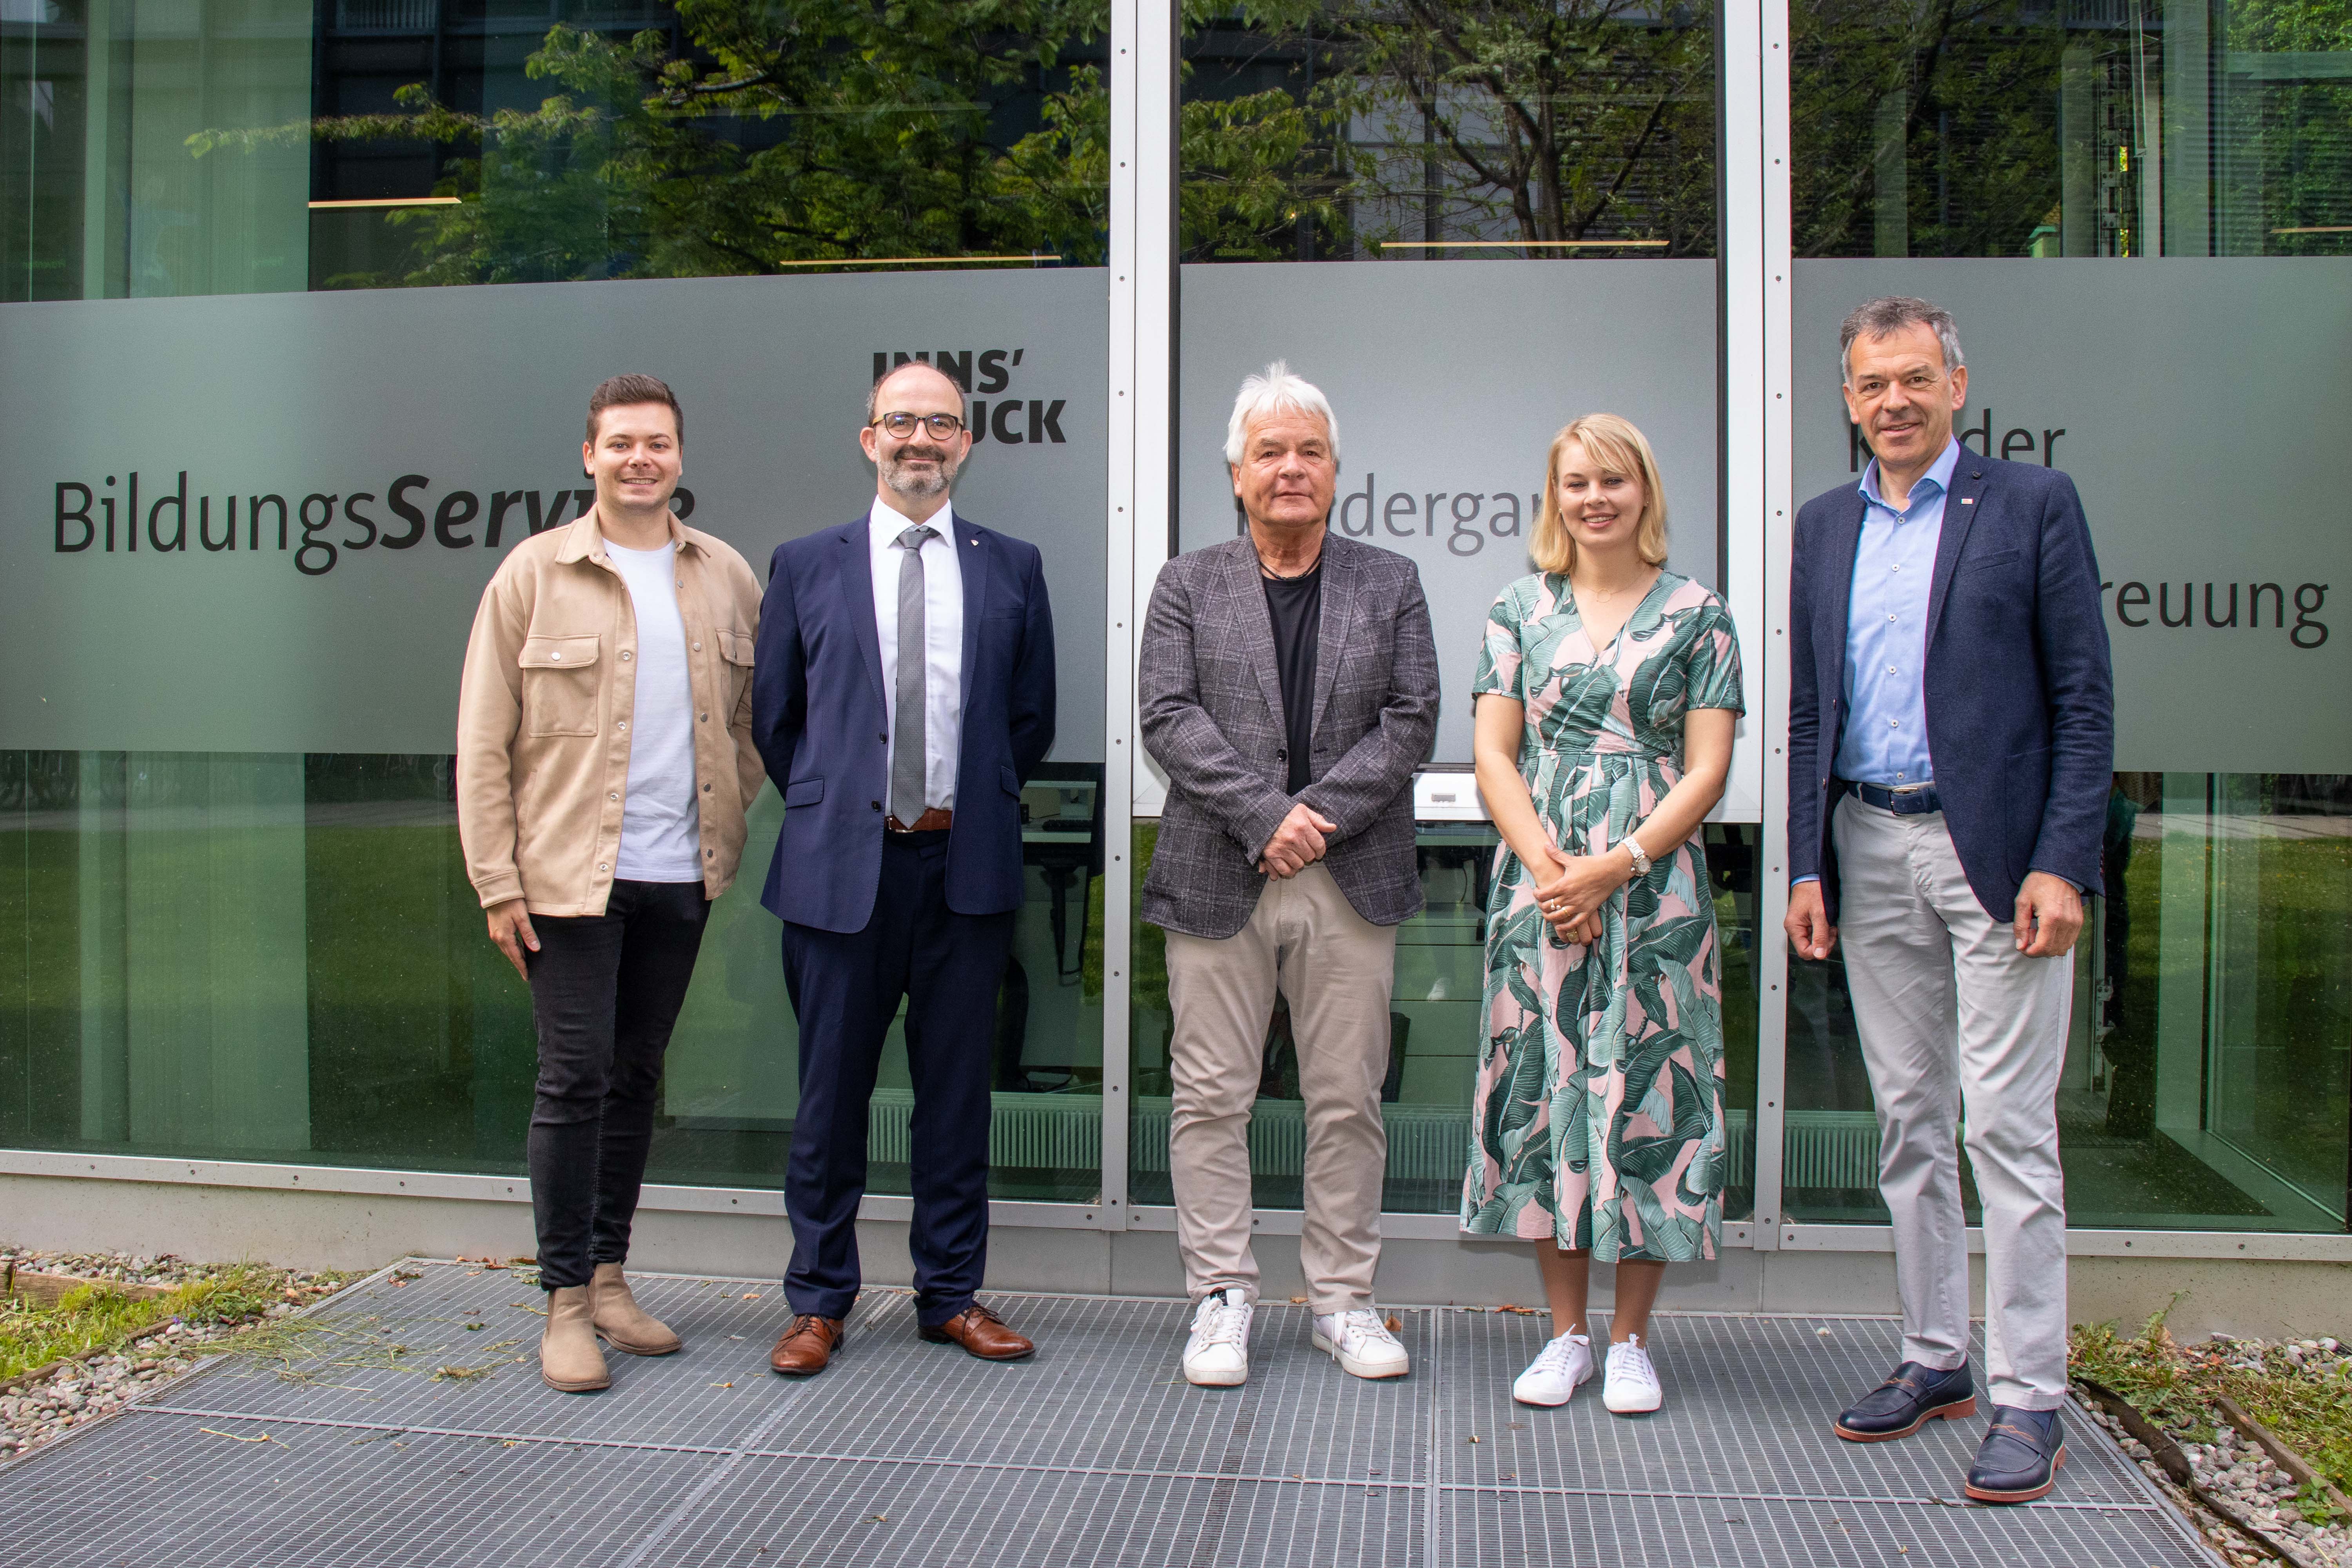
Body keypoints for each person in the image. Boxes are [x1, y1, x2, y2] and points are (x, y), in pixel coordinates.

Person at [1786, 296, 2111, 1504]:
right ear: (1850, 399)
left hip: (2000, 858)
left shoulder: (2031, 508)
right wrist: (1808, 866)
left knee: (2009, 1132)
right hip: (1868, 846)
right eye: (1873, 386)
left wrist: (2063, 861)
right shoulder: (1826, 526)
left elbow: (2084, 701)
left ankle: (2032, 1393)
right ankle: (1937, 1356)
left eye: (1915, 380)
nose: (1894, 404)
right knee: (1910, 1121)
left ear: (1958, 385)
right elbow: (1813, 710)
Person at [457, 373, 766, 1393]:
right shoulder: (534, 575)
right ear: (588, 457)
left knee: (637, 1079)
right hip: (564, 882)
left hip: (682, 875)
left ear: (681, 458)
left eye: (659, 443)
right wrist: (498, 883)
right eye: (622, 443)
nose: (642, 459)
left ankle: (609, 1273)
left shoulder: (725, 575)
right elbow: (483, 741)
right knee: (572, 1077)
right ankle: (561, 1304)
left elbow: (755, 725)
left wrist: (731, 812)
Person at [1139, 362, 1439, 1388]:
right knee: (1210, 1095)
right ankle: (1221, 1296)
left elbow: (1412, 720)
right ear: (1237, 473)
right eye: (1270, 452)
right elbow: (1168, 715)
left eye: (1309, 450)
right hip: (1221, 867)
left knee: (1346, 1097)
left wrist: (1317, 821)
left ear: (1336, 469)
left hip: (1347, 875)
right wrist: (1269, 817)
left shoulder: (1389, 580)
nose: (1291, 469)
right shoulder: (1188, 583)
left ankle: (1343, 1300)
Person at [753, 359, 1056, 1377]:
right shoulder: (806, 564)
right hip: (841, 876)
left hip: (962, 873)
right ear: (867, 437)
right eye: (900, 423)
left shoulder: (1012, 565)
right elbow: (778, 722)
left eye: (941, 425)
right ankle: (817, 1300)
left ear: (967, 442)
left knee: (957, 1097)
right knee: (828, 1098)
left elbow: (1029, 722)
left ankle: (951, 1295)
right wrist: (845, 804)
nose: (919, 440)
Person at [1460, 413, 1744, 1418]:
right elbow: (1496, 753)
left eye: (1614, 480)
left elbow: (1707, 768)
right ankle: (1565, 1336)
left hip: (1654, 887)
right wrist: (1551, 869)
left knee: (1646, 1087)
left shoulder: (1701, 614)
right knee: (1547, 1088)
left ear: (1644, 491)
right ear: (1556, 495)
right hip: (1542, 888)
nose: (1595, 498)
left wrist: (1615, 866)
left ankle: (1631, 1340)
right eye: (1577, 481)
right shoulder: (1516, 606)